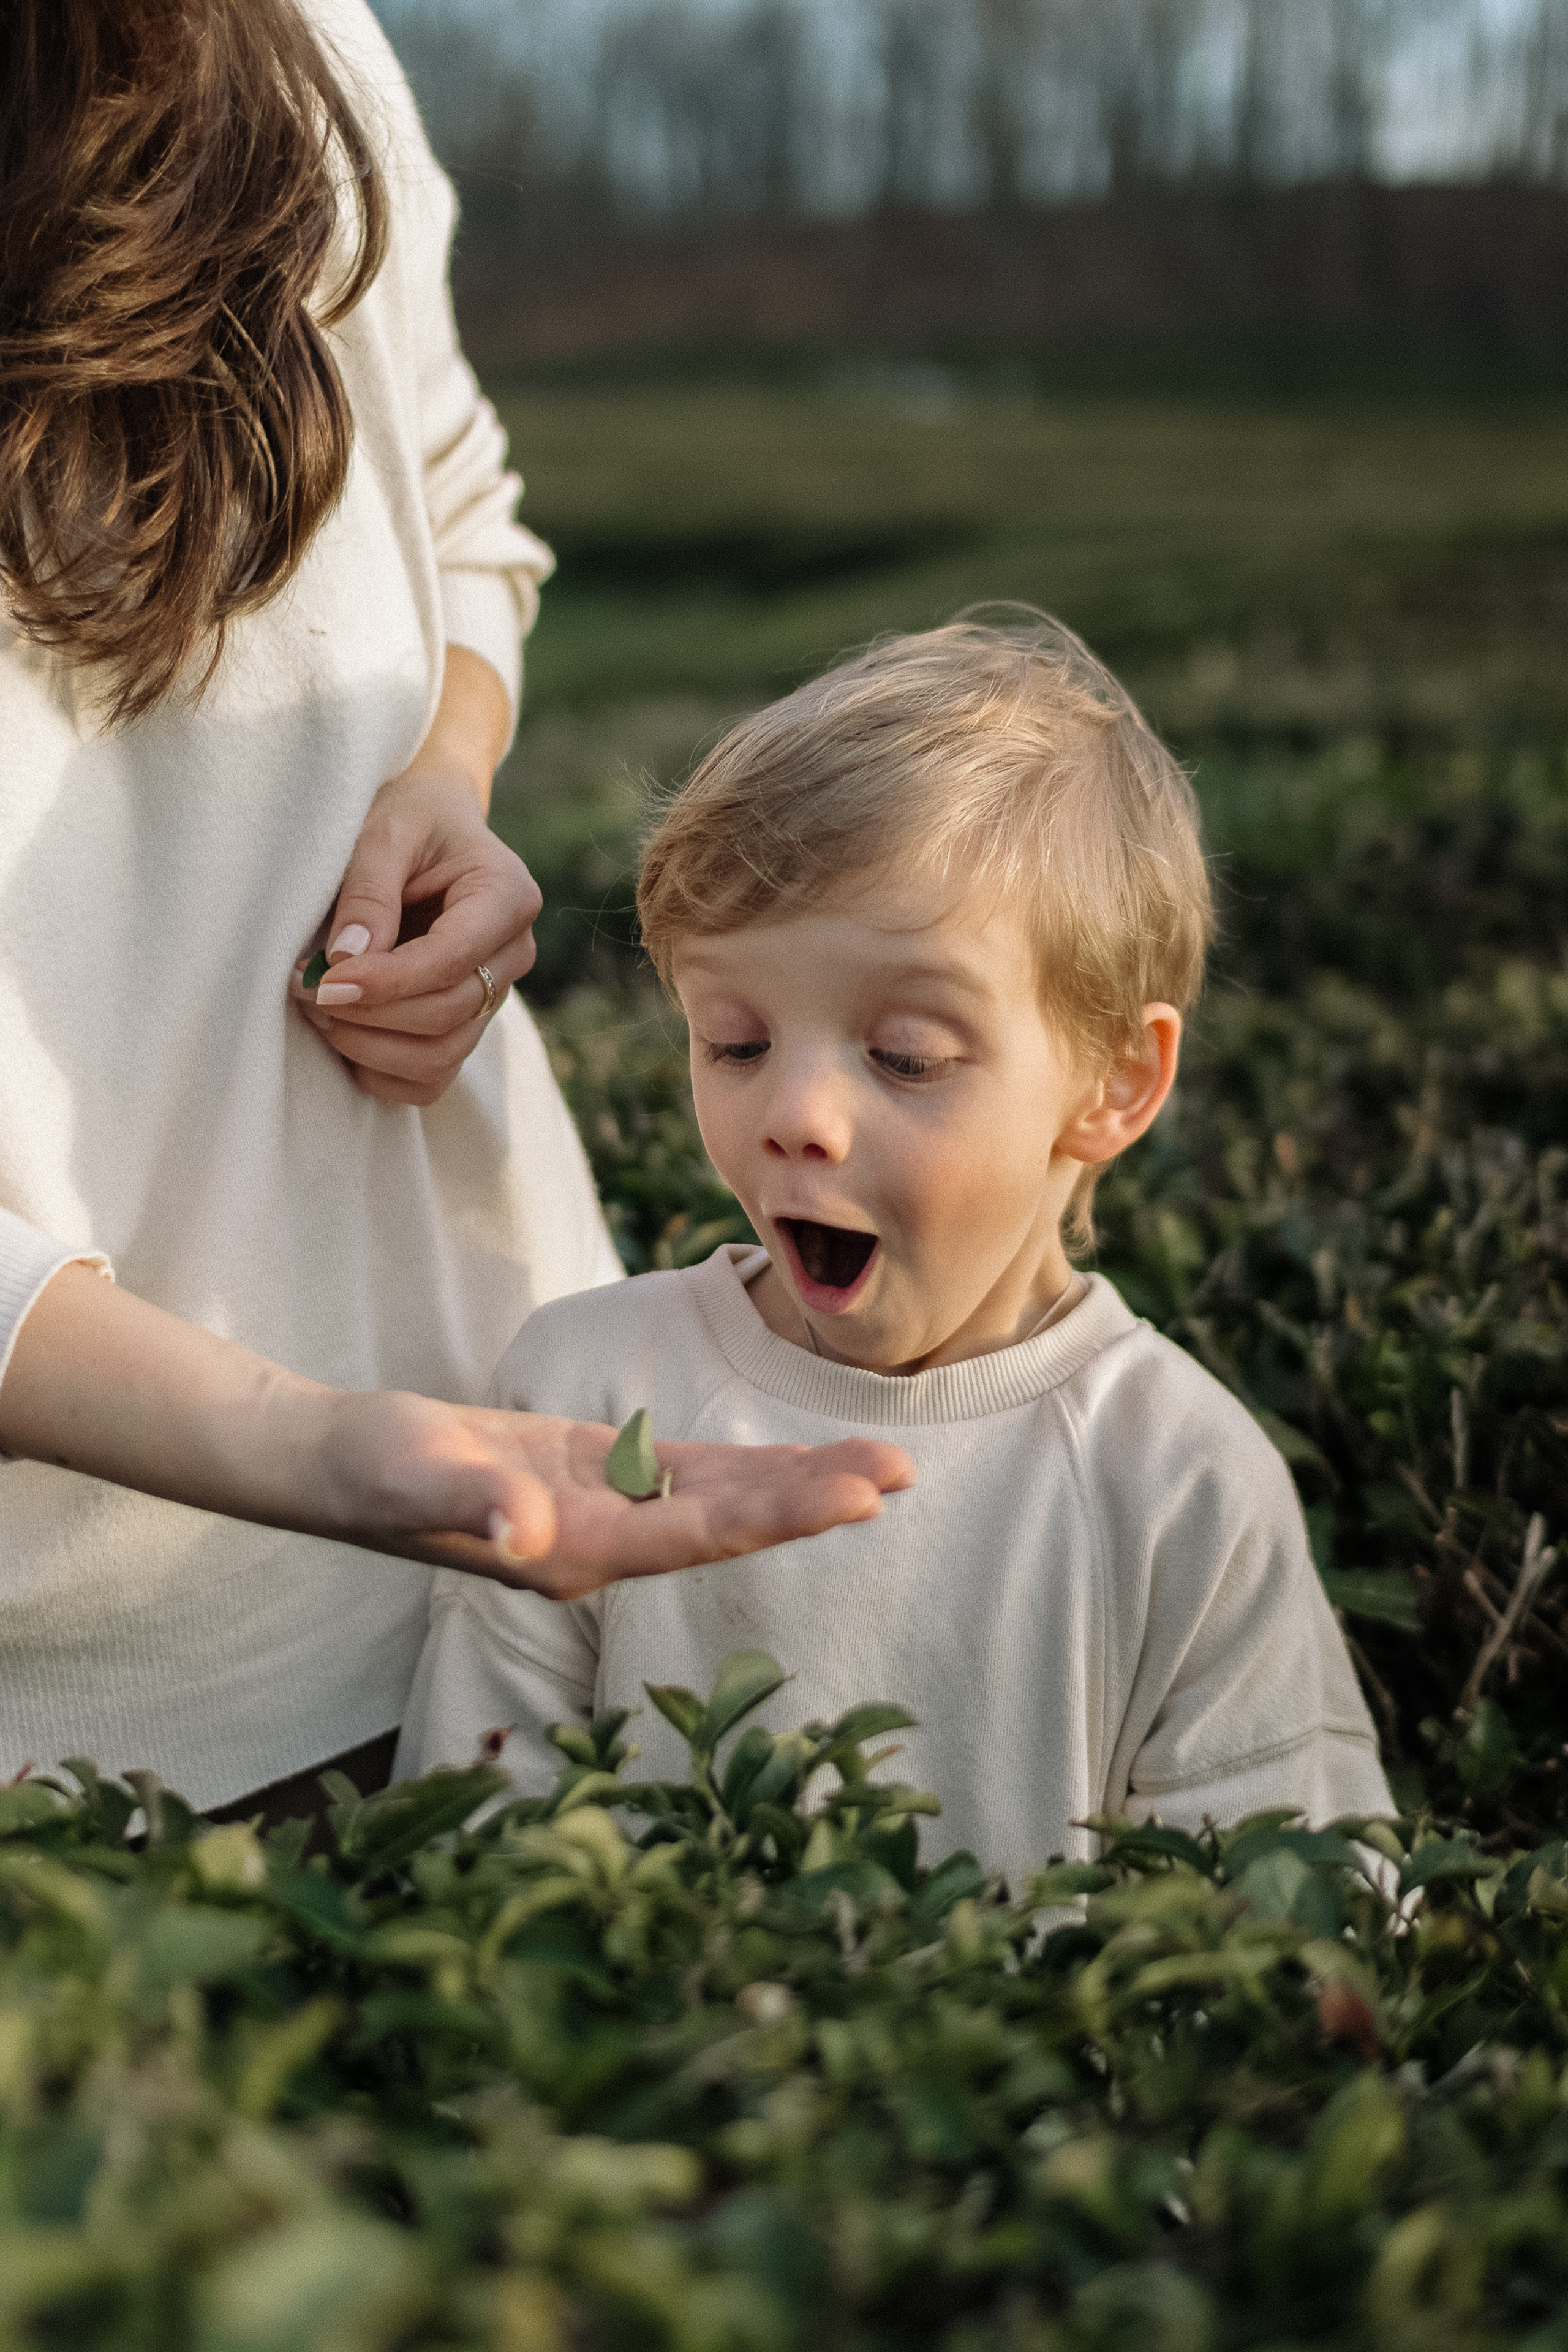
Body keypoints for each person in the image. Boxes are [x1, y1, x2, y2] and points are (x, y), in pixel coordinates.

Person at [0, 0, 911, 1824]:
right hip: (84, 1742)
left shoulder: (306, 41)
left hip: (527, 1558)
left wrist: (439, 782)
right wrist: (321, 1448)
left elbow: (457, 511)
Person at [398, 615, 1393, 1883]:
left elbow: (1289, 1918)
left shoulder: (1179, 1484)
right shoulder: (589, 1392)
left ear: (1113, 1084)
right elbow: (475, 1841)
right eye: (736, 1041)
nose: (795, 1118)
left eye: (904, 1056)